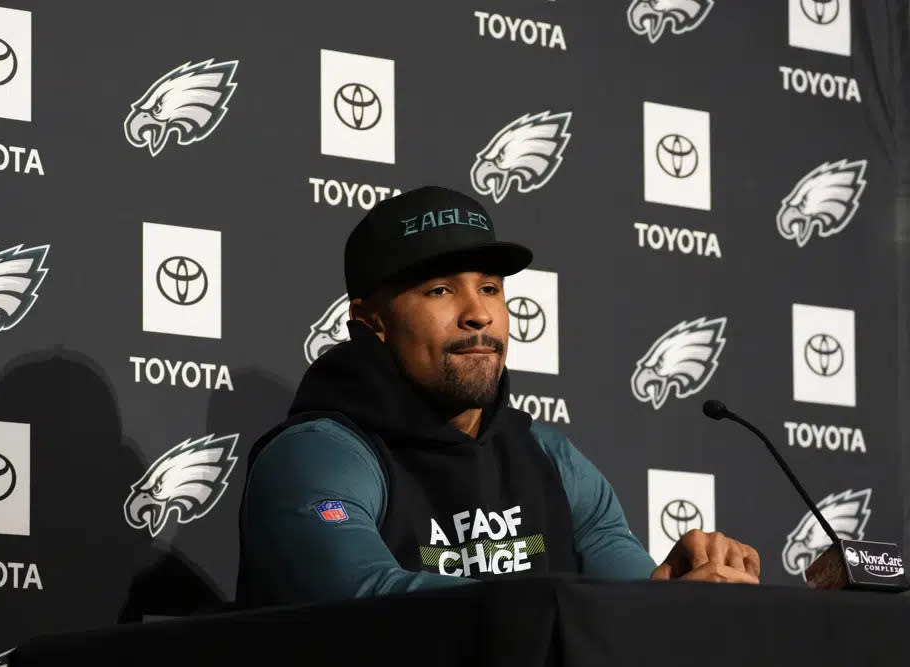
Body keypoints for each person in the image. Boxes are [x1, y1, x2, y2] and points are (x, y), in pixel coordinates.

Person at [237, 185, 760, 608]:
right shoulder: (319, 454)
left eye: (489, 288)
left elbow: (624, 606)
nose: (479, 314)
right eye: (440, 290)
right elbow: (367, 602)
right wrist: (563, 606)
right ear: (371, 322)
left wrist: (678, 592)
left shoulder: (552, 459)